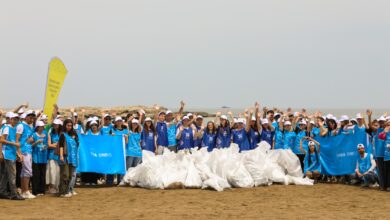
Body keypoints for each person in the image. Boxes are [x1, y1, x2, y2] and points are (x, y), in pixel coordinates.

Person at [0, 113, 24, 200]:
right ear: (10, 119)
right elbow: (1, 140)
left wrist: (19, 154)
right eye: (14, 119)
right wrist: (13, 144)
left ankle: (2, 192)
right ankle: (14, 194)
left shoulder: (13, 129)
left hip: (11, 154)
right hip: (8, 154)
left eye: (17, 119)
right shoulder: (7, 128)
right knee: (12, 175)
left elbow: (15, 142)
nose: (16, 120)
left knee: (6, 174)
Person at [16, 110, 36, 199]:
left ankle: (24, 191)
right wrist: (19, 152)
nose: (32, 119)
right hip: (24, 151)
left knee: (24, 171)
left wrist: (31, 139)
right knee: (27, 171)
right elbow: (17, 139)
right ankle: (26, 191)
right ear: (26, 117)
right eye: (30, 117)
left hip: (28, 150)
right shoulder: (21, 125)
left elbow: (27, 138)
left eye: (33, 117)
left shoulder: (29, 127)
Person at [58, 119, 79, 198]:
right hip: (66, 157)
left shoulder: (74, 134)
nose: (69, 127)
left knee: (71, 175)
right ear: (64, 126)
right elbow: (61, 146)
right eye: (68, 125)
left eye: (70, 126)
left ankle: (69, 190)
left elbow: (77, 144)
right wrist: (61, 156)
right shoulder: (62, 135)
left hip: (73, 157)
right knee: (65, 174)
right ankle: (63, 192)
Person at [107, 116, 128, 185]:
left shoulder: (125, 130)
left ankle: (120, 181)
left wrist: (125, 138)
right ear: (115, 122)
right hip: (113, 151)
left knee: (120, 166)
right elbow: (108, 140)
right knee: (111, 165)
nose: (119, 122)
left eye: (120, 121)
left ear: (122, 122)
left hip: (121, 152)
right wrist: (111, 136)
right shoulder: (112, 130)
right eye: (118, 121)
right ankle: (110, 181)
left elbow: (126, 142)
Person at [31, 121, 48, 196]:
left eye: (43, 126)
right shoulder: (34, 135)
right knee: (36, 174)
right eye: (41, 126)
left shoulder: (45, 134)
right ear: (37, 127)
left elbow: (47, 144)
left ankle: (42, 190)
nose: (42, 128)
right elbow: (31, 145)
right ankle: (35, 190)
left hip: (43, 156)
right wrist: (36, 142)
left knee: (42, 174)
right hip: (36, 156)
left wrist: (45, 147)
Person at [46, 119, 62, 194]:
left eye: (56, 124)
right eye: (54, 124)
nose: (55, 126)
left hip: (59, 155)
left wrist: (56, 145)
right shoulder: (50, 133)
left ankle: (57, 187)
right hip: (52, 155)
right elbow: (49, 145)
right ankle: (52, 187)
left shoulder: (62, 134)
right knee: (52, 171)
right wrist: (57, 145)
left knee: (58, 172)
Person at [378, 120, 390, 191]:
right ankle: (386, 186)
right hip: (386, 155)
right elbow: (380, 137)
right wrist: (384, 132)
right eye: (388, 124)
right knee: (386, 171)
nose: (389, 126)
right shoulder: (386, 132)